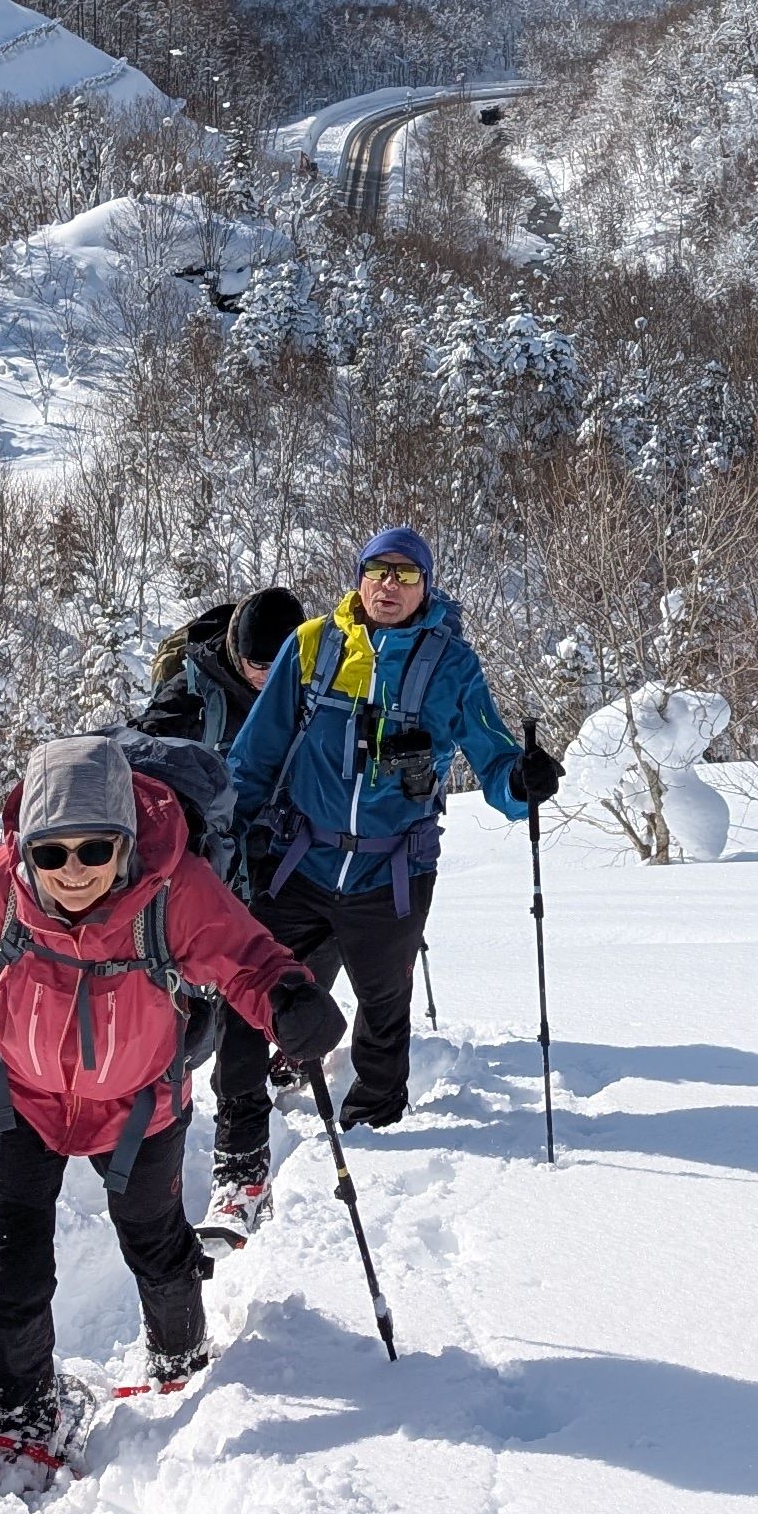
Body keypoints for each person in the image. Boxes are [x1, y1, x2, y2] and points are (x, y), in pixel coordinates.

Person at [0, 735, 347, 1495]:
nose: (75, 871)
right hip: (16, 1098)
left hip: (140, 1108)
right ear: (28, 851)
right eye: (53, 855)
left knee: (157, 1247)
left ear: (126, 841)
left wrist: (288, 997)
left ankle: (180, 1363)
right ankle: (24, 1412)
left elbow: (245, 959)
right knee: (14, 1268)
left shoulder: (174, 889)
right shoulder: (4, 881)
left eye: (96, 850)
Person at [207, 528, 562, 1239]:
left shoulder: (453, 665)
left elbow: (492, 758)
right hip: (296, 861)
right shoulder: (311, 645)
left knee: (383, 1003)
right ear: (359, 577)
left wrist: (522, 785)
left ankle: (376, 1121)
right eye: (378, 572)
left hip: (392, 869)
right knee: (250, 1000)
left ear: (426, 586)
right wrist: (227, 834)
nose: (389, 586)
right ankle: (238, 1158)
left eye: (405, 575)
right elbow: (256, 754)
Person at [137, 586, 307, 760]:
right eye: (258, 664)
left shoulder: (310, 690)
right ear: (236, 652)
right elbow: (143, 745)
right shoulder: (193, 690)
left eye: (281, 665)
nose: (269, 675)